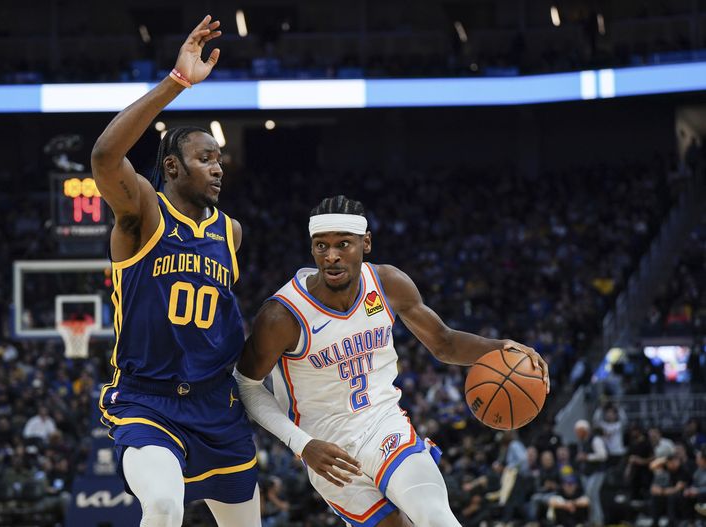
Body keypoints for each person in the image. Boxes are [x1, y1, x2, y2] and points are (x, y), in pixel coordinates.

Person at [234, 196, 549, 527]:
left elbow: (443, 343)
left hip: (384, 425)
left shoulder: (386, 283)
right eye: (321, 246)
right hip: (329, 453)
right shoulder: (283, 315)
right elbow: (246, 384)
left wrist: (500, 348)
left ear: (366, 242)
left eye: (343, 244)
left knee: (435, 516)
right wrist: (302, 444)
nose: (332, 256)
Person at [91, 15, 259, 527]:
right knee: (163, 506)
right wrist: (176, 83)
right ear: (171, 167)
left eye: (220, 158)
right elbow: (104, 156)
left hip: (216, 405)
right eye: (205, 157)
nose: (217, 167)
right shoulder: (143, 211)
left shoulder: (229, 232)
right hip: (149, 403)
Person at [573, 419, 607, 526]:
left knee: (591, 495)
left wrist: (587, 457)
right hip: (586, 473)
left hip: (597, 472)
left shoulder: (595, 439)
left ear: (584, 430)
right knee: (592, 497)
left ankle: (598, 521)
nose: (577, 434)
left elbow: (603, 455)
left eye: (578, 431)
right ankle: (594, 520)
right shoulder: (582, 441)